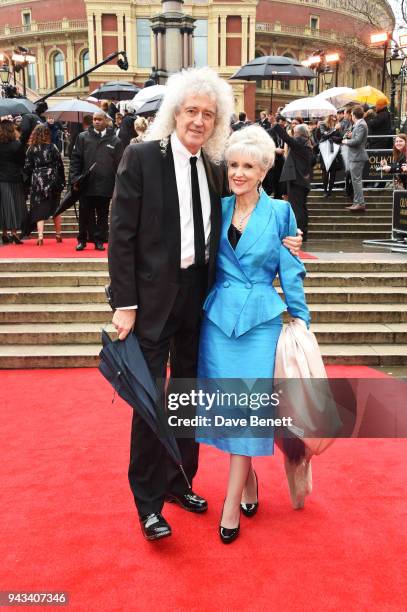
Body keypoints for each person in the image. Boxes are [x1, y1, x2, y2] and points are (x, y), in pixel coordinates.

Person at [108, 67, 303, 542]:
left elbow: (245, 226)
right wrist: (125, 303)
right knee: (152, 401)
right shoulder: (140, 157)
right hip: (151, 303)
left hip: (201, 302)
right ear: (175, 111)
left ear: (218, 122)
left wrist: (289, 242)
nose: (198, 120)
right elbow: (121, 236)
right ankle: (149, 503)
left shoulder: (214, 168)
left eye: (208, 114)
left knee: (191, 399)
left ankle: (180, 482)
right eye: (191, 111)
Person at [197, 125, 310, 544]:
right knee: (229, 410)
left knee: (248, 412)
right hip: (218, 322)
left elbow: (290, 271)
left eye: (248, 166)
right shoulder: (217, 208)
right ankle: (247, 481)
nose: (239, 173)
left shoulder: (280, 213)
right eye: (233, 165)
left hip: (261, 322)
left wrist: (301, 322)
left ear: (264, 170)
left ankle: (230, 506)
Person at [69, 110, 124, 251]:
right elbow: (76, 159)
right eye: (94, 119)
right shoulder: (83, 137)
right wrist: (74, 178)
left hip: (105, 185)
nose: (96, 122)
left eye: (99, 119)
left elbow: (120, 165)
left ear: (106, 120)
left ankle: (99, 240)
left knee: (102, 214)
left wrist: (119, 184)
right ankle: (82, 239)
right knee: (84, 214)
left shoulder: (115, 141)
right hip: (86, 184)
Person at [24, 124, 65, 245]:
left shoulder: (31, 149)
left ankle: (40, 236)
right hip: (52, 179)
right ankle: (58, 234)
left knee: (38, 209)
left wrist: (28, 181)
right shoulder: (53, 147)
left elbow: (27, 167)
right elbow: (60, 164)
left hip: (37, 181)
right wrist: (62, 181)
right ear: (47, 134)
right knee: (56, 208)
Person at [274, 122, 315, 241]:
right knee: (301, 208)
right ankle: (303, 232)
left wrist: (276, 125)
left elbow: (286, 138)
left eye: (294, 132)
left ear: (299, 134)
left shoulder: (299, 143)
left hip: (297, 181)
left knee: (297, 208)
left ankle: (299, 233)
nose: (293, 134)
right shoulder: (307, 145)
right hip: (302, 181)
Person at [0, 119, 27, 244]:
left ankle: (4, 233)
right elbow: (22, 162)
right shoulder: (17, 144)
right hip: (15, 178)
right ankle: (15, 233)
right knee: (16, 205)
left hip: (1, 178)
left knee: (4, 206)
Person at [342, 106, 368, 212]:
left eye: (351, 114)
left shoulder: (361, 124)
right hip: (355, 156)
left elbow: (357, 141)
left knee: (356, 181)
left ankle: (360, 203)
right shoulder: (359, 124)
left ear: (353, 115)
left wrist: (346, 141)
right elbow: (357, 138)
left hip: (357, 156)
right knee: (355, 181)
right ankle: (356, 202)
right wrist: (352, 135)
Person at [263, 114, 287, 198]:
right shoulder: (268, 132)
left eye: (283, 125)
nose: (281, 127)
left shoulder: (285, 134)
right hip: (271, 163)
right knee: (268, 188)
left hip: (281, 163)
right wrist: (274, 150)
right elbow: (262, 147)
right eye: (280, 125)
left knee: (280, 188)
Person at [318, 114, 342, 198]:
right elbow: (324, 135)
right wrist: (334, 129)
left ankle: (330, 191)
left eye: (335, 115)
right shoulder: (322, 124)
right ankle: (325, 190)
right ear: (329, 116)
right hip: (325, 150)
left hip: (334, 151)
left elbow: (340, 138)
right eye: (333, 115)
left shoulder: (338, 125)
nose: (334, 117)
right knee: (325, 171)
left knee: (333, 171)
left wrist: (332, 137)